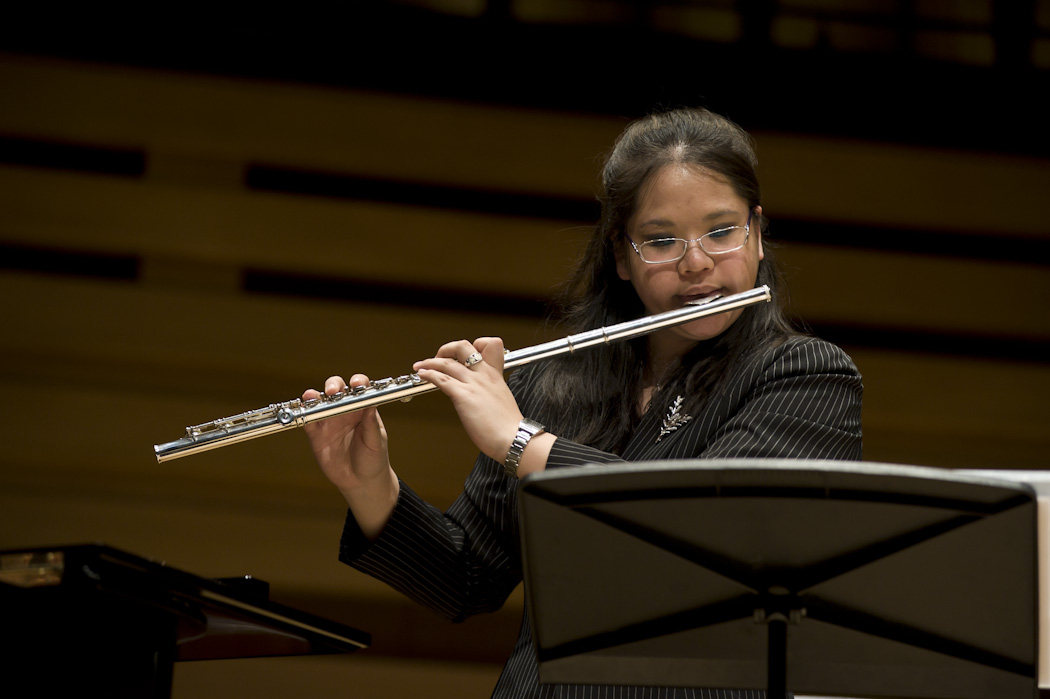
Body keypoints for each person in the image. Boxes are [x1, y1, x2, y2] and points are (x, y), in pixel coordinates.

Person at [302, 107, 863, 699]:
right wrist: (369, 485)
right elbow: (464, 583)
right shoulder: (551, 386)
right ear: (622, 256)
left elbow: (707, 536)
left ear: (756, 231)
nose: (695, 262)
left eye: (721, 232)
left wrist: (522, 443)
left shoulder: (803, 375)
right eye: (661, 240)